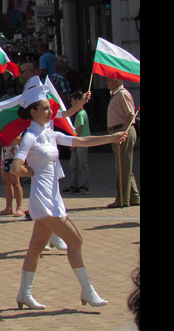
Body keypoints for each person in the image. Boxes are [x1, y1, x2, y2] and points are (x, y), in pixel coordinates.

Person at [10, 85, 128, 309]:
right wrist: (31, 172)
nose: (49, 111)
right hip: (43, 198)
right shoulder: (30, 136)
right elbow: (16, 166)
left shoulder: (49, 133)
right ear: (33, 112)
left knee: (36, 248)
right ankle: (87, 291)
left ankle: (24, 294)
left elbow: (80, 141)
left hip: (53, 196)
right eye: (45, 108)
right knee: (75, 240)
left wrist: (111, 138)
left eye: (49, 108)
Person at [106, 77, 140, 208]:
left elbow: (130, 115)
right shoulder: (116, 95)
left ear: (116, 81)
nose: (106, 82)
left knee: (123, 167)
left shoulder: (122, 94)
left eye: (108, 80)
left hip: (122, 131)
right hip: (117, 132)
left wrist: (123, 132)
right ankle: (134, 196)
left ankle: (122, 199)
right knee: (124, 166)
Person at [63, 90, 91, 195]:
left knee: (82, 164)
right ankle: (74, 184)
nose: (71, 102)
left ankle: (84, 185)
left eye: (72, 100)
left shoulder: (80, 114)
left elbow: (78, 130)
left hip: (81, 143)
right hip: (78, 143)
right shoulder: (81, 113)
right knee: (73, 164)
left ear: (78, 101)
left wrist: (74, 144)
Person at [0, 135, 25, 217]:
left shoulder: (16, 128)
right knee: (6, 182)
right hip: (4, 155)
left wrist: (8, 137)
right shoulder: (3, 128)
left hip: (14, 156)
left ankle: (19, 207)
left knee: (16, 183)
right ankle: (8, 207)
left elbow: (20, 140)